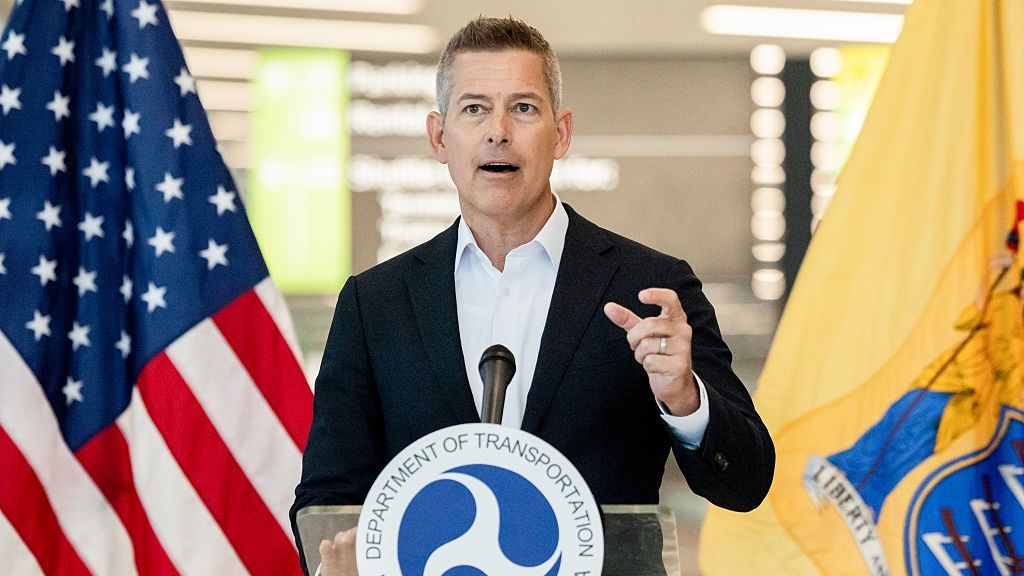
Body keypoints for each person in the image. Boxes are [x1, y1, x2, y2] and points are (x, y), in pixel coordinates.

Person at [291, 16, 775, 573]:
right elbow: (326, 499)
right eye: (474, 108)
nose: (498, 130)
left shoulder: (650, 290)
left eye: (523, 108)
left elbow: (747, 483)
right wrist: (342, 554)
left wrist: (685, 399)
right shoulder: (375, 304)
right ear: (439, 138)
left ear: (561, 133)